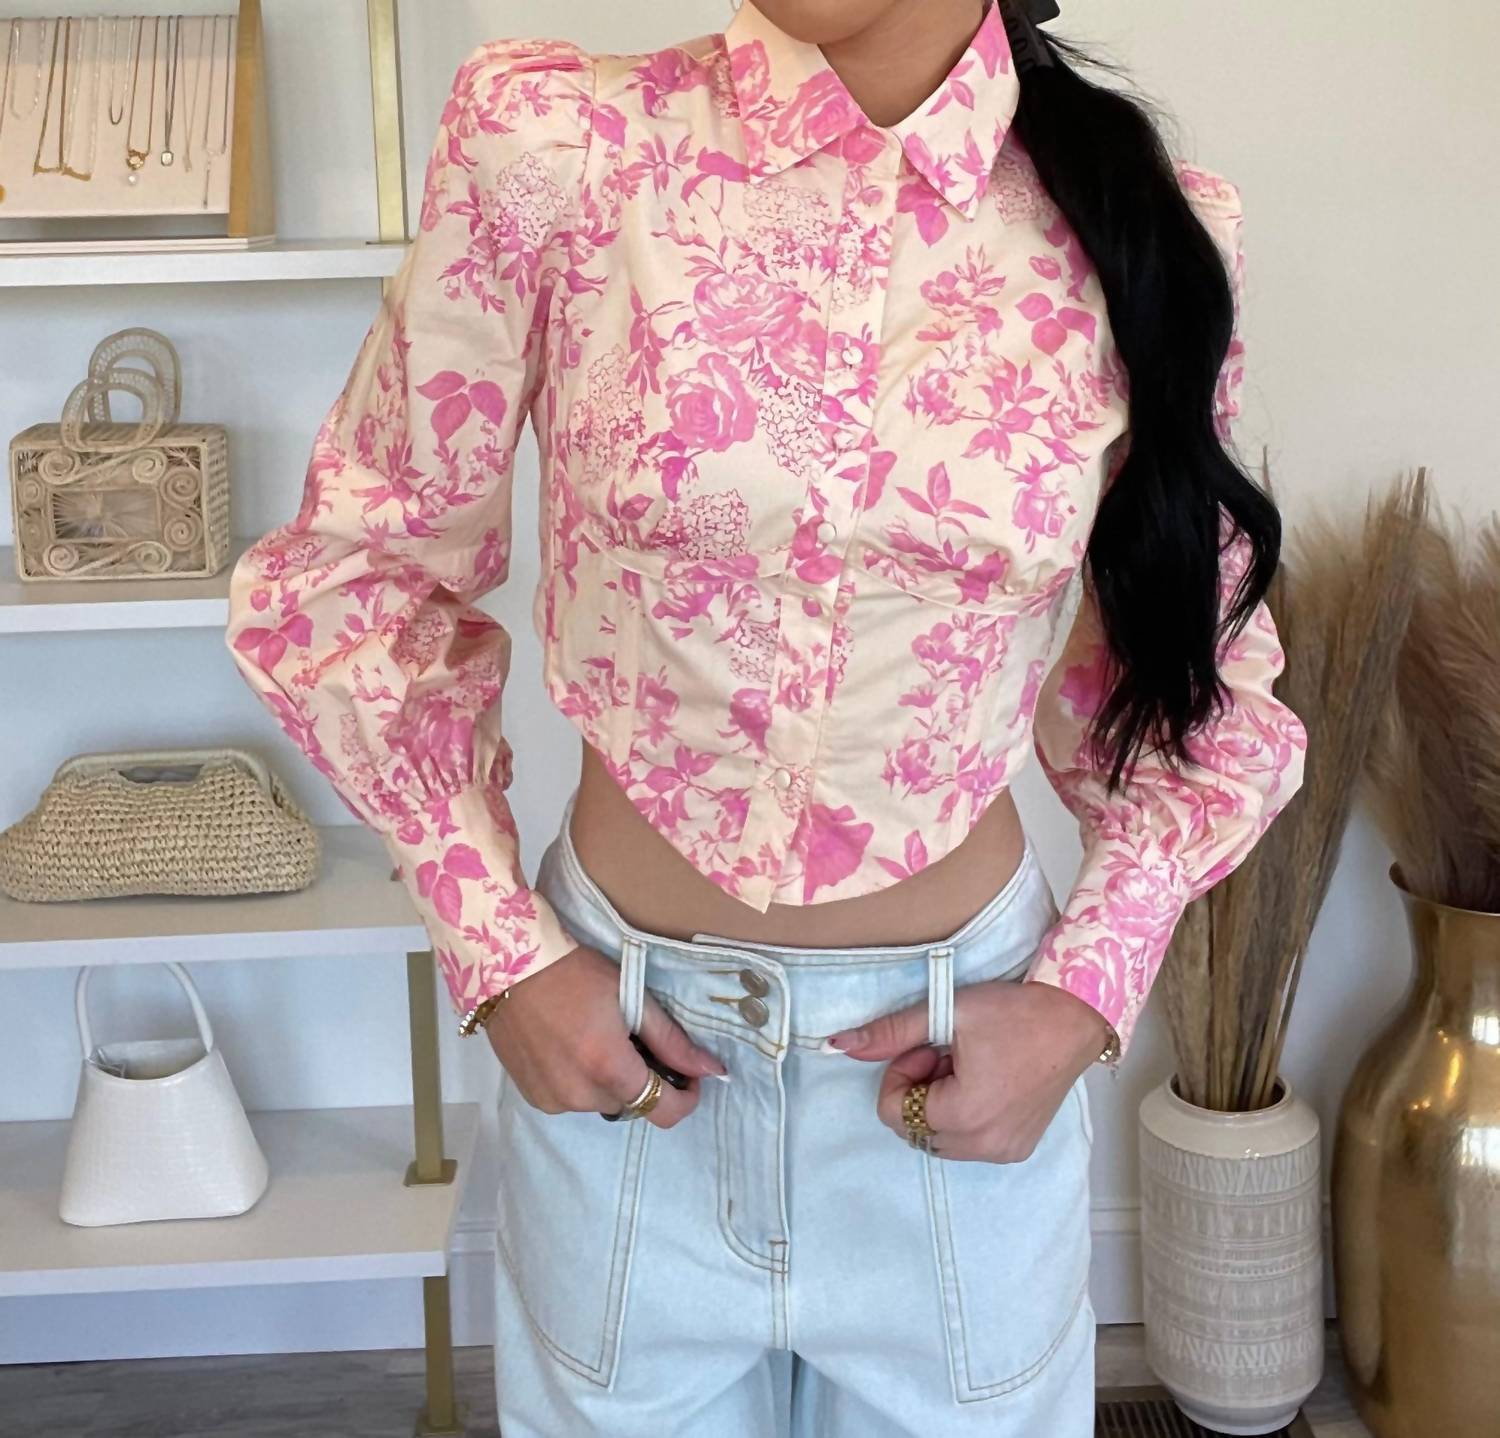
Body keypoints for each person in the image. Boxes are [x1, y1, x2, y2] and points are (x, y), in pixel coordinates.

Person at [224, 0, 1308, 1432]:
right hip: (619, 1061)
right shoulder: (560, 148)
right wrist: (499, 953)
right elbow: (361, 580)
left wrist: (1082, 999)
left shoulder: (1143, 234)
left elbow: (1198, 687)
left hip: (953, 1088)